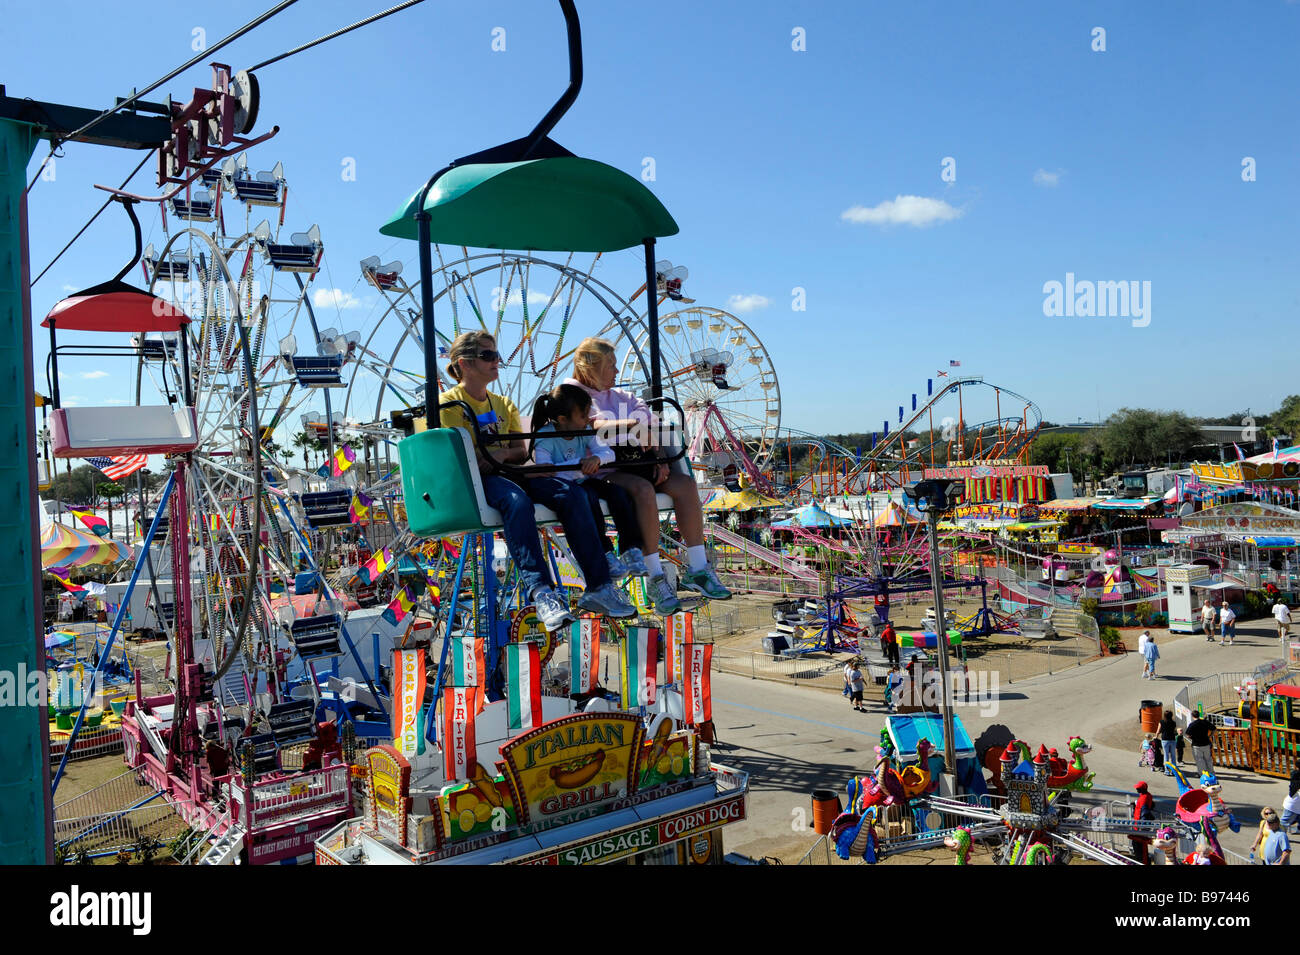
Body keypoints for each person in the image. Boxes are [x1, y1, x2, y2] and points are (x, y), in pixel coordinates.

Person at [436, 331, 634, 631]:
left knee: (572, 493)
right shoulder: (449, 404)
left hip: (509, 472)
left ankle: (599, 586)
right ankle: (542, 591)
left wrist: (496, 456)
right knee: (517, 503)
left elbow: (518, 451)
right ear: (464, 363)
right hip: (475, 482)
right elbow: (460, 457)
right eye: (488, 355)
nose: (496, 361)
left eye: (496, 354)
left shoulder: (504, 404)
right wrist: (500, 454)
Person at [565, 338, 731, 613]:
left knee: (686, 485)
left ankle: (698, 568)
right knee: (642, 490)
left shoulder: (621, 397)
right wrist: (633, 426)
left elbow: (650, 419)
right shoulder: (573, 392)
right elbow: (593, 426)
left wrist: (656, 454)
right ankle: (655, 578)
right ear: (590, 366)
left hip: (639, 463)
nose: (616, 372)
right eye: (610, 365)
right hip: (602, 470)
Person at [530, 383, 648, 582]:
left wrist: (597, 460)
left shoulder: (583, 430)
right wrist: (579, 464)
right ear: (562, 419)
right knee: (589, 500)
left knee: (618, 493)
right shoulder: (545, 437)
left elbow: (606, 452)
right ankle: (605, 553)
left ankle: (631, 549)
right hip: (565, 487)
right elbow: (546, 471)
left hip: (583, 480)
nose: (589, 421)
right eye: (583, 416)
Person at [1131, 781, 1155, 864]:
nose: (1136, 789)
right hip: (1138, 823)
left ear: (1143, 789)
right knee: (1139, 843)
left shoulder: (1144, 797)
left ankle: (1141, 859)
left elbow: (1144, 811)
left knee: (1137, 843)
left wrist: (1141, 826)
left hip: (1139, 824)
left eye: (1138, 788)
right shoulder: (1146, 796)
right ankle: (1143, 858)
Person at [1158, 710, 1178, 775]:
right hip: (1172, 739)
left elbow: (1158, 731)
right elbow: (1174, 731)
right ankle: (1174, 771)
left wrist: (1156, 736)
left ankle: (1167, 771)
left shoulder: (1161, 722)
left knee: (1166, 755)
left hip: (1165, 739)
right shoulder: (1173, 723)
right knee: (1173, 755)